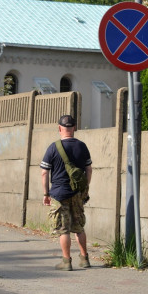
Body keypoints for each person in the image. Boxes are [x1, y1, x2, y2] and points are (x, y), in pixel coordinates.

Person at [39, 114, 93, 271]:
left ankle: (66, 261)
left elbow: (44, 172)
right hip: (77, 193)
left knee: (64, 229)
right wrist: (84, 189)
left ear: (59, 128)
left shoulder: (53, 147)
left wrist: (46, 194)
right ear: (74, 128)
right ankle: (84, 259)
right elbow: (89, 170)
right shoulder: (82, 146)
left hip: (58, 194)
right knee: (79, 227)